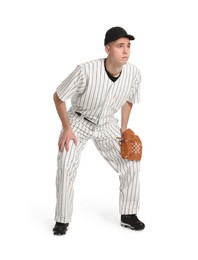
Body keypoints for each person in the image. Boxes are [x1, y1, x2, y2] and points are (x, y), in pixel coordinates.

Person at [52, 26, 145, 235]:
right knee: (66, 165)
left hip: (106, 123)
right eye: (120, 46)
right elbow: (58, 96)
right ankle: (62, 220)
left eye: (128, 46)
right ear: (107, 49)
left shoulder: (134, 73)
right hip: (78, 121)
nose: (126, 50)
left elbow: (129, 100)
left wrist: (123, 129)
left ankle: (128, 214)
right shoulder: (85, 70)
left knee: (131, 161)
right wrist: (67, 128)